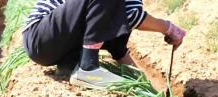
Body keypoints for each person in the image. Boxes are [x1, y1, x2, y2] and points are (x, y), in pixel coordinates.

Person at [22, 0, 187, 89]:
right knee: (117, 11)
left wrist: (141, 82)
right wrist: (168, 28)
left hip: (53, 44)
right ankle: (88, 68)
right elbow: (133, 16)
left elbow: (119, 38)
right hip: (40, 35)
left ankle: (69, 66)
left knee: (115, 17)